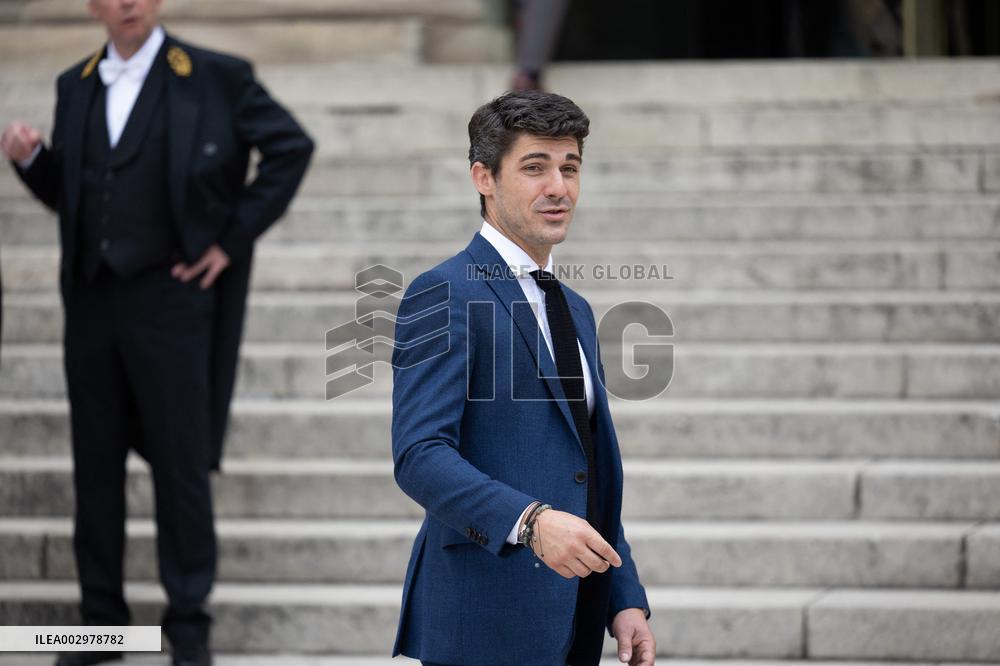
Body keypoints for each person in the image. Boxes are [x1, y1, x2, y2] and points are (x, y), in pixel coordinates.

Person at [0, 1, 313, 664]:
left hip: (174, 303)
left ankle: (189, 627)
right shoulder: (74, 84)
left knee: (180, 466)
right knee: (95, 471)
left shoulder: (215, 75)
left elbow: (291, 147)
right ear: (94, 5)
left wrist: (230, 240)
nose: (127, 3)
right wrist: (33, 163)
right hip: (91, 306)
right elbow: (83, 198)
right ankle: (101, 627)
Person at [390, 90, 655, 666]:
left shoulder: (577, 308)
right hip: (483, 614)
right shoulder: (442, 292)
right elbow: (419, 455)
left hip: (575, 620)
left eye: (570, 167)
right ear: (483, 178)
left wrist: (622, 594)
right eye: (534, 167)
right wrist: (530, 523)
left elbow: (587, 470)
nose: (557, 186)